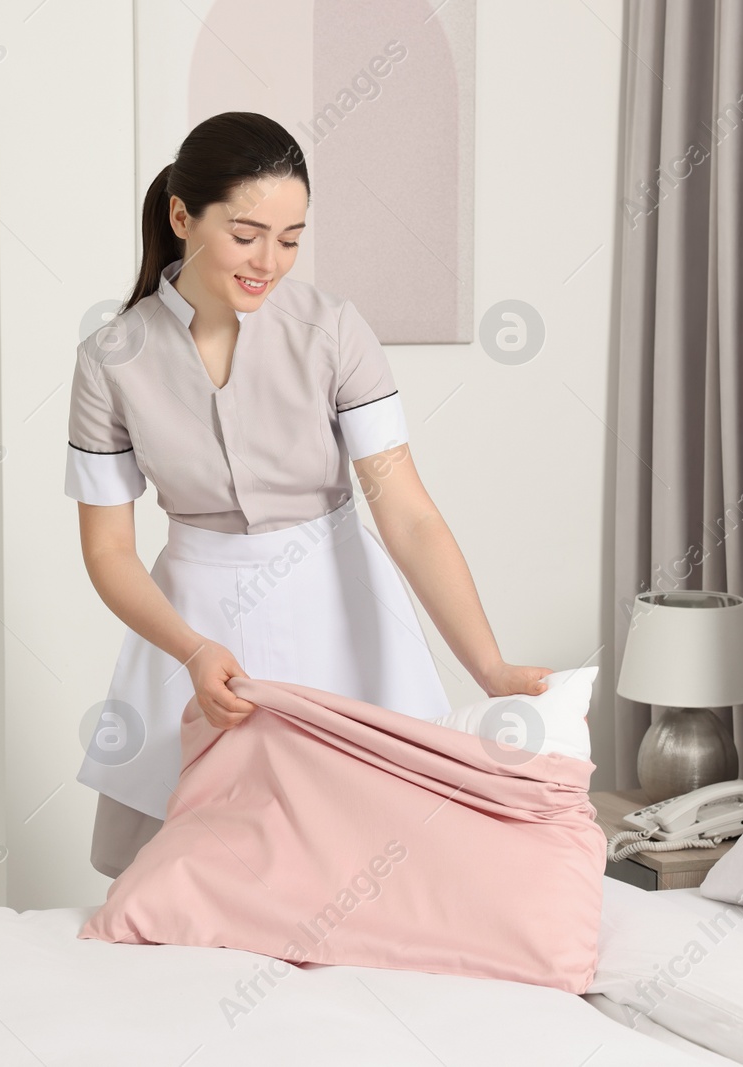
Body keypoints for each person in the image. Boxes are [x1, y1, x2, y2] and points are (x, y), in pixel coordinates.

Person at [66, 111, 552, 879]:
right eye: (247, 234)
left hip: (340, 608)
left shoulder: (334, 331)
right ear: (182, 216)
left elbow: (409, 513)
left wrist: (488, 667)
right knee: (189, 881)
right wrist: (191, 649)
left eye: (290, 239)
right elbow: (107, 550)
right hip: (191, 623)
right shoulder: (111, 358)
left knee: (363, 866)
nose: (270, 261)